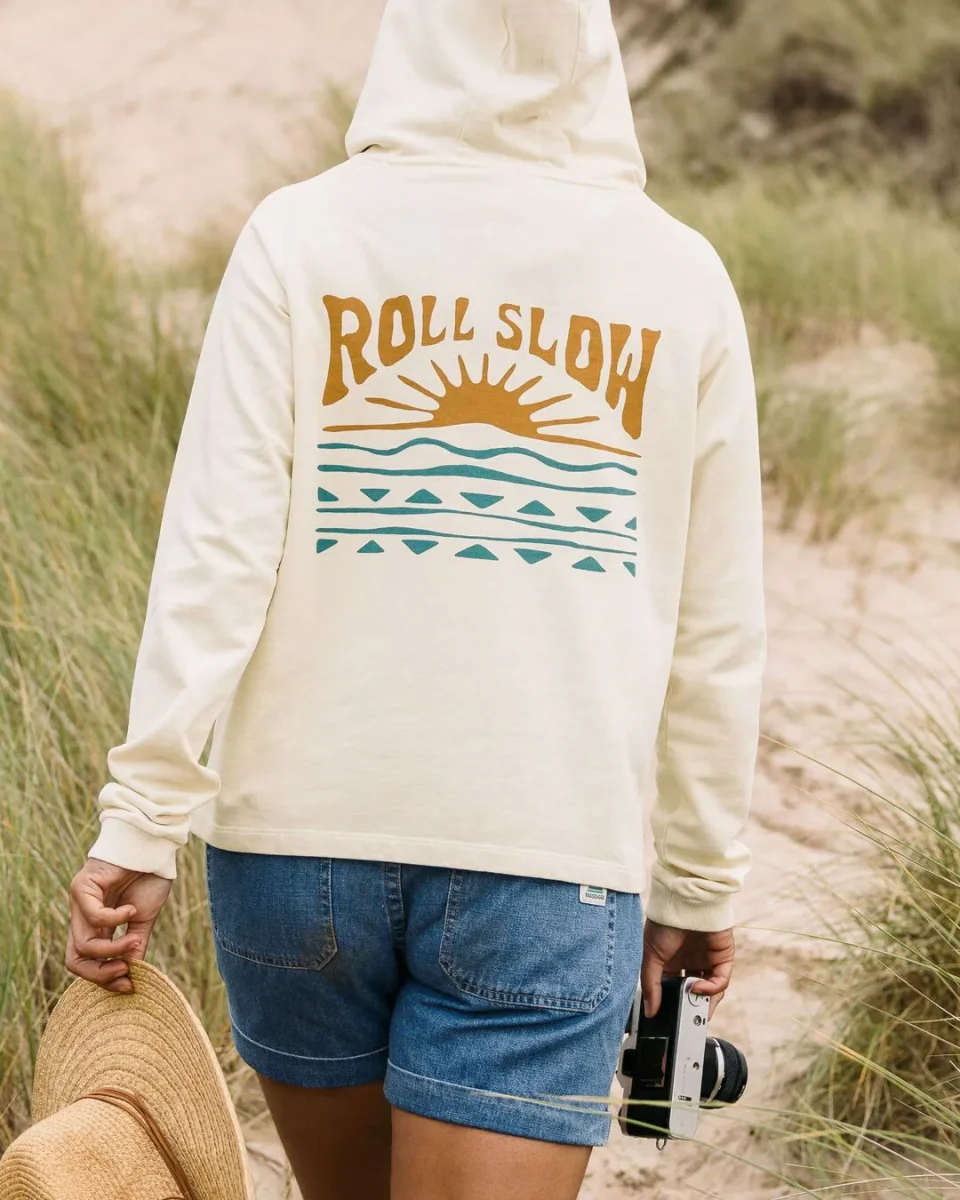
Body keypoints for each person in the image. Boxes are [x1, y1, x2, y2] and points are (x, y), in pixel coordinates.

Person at [66, 1, 766, 1197]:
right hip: (548, 857)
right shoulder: (678, 275)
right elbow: (715, 626)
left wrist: (141, 824)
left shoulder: (298, 236)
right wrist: (698, 878)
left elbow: (215, 554)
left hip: (294, 858)